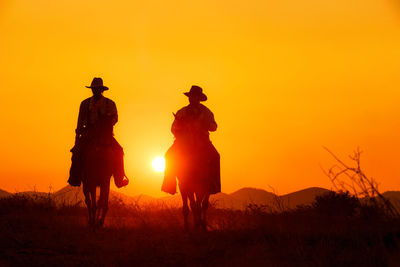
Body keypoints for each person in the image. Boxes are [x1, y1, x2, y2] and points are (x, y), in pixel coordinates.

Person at [68, 77, 128, 188]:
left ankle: (119, 179)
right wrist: (78, 136)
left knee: (119, 151)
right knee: (76, 152)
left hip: (105, 134)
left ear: (101, 90)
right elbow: (80, 120)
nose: (95, 91)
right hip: (88, 133)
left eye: (97, 89)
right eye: (93, 89)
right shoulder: (84, 104)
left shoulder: (110, 103)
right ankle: (74, 178)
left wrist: (108, 123)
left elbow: (115, 117)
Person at [162, 85, 220, 194]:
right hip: (184, 140)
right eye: (190, 96)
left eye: (194, 96)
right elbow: (173, 128)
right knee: (168, 155)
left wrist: (205, 125)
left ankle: (214, 185)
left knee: (216, 156)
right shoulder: (182, 112)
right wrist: (181, 128)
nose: (191, 98)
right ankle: (169, 185)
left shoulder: (206, 112)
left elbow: (214, 126)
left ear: (198, 98)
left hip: (203, 141)